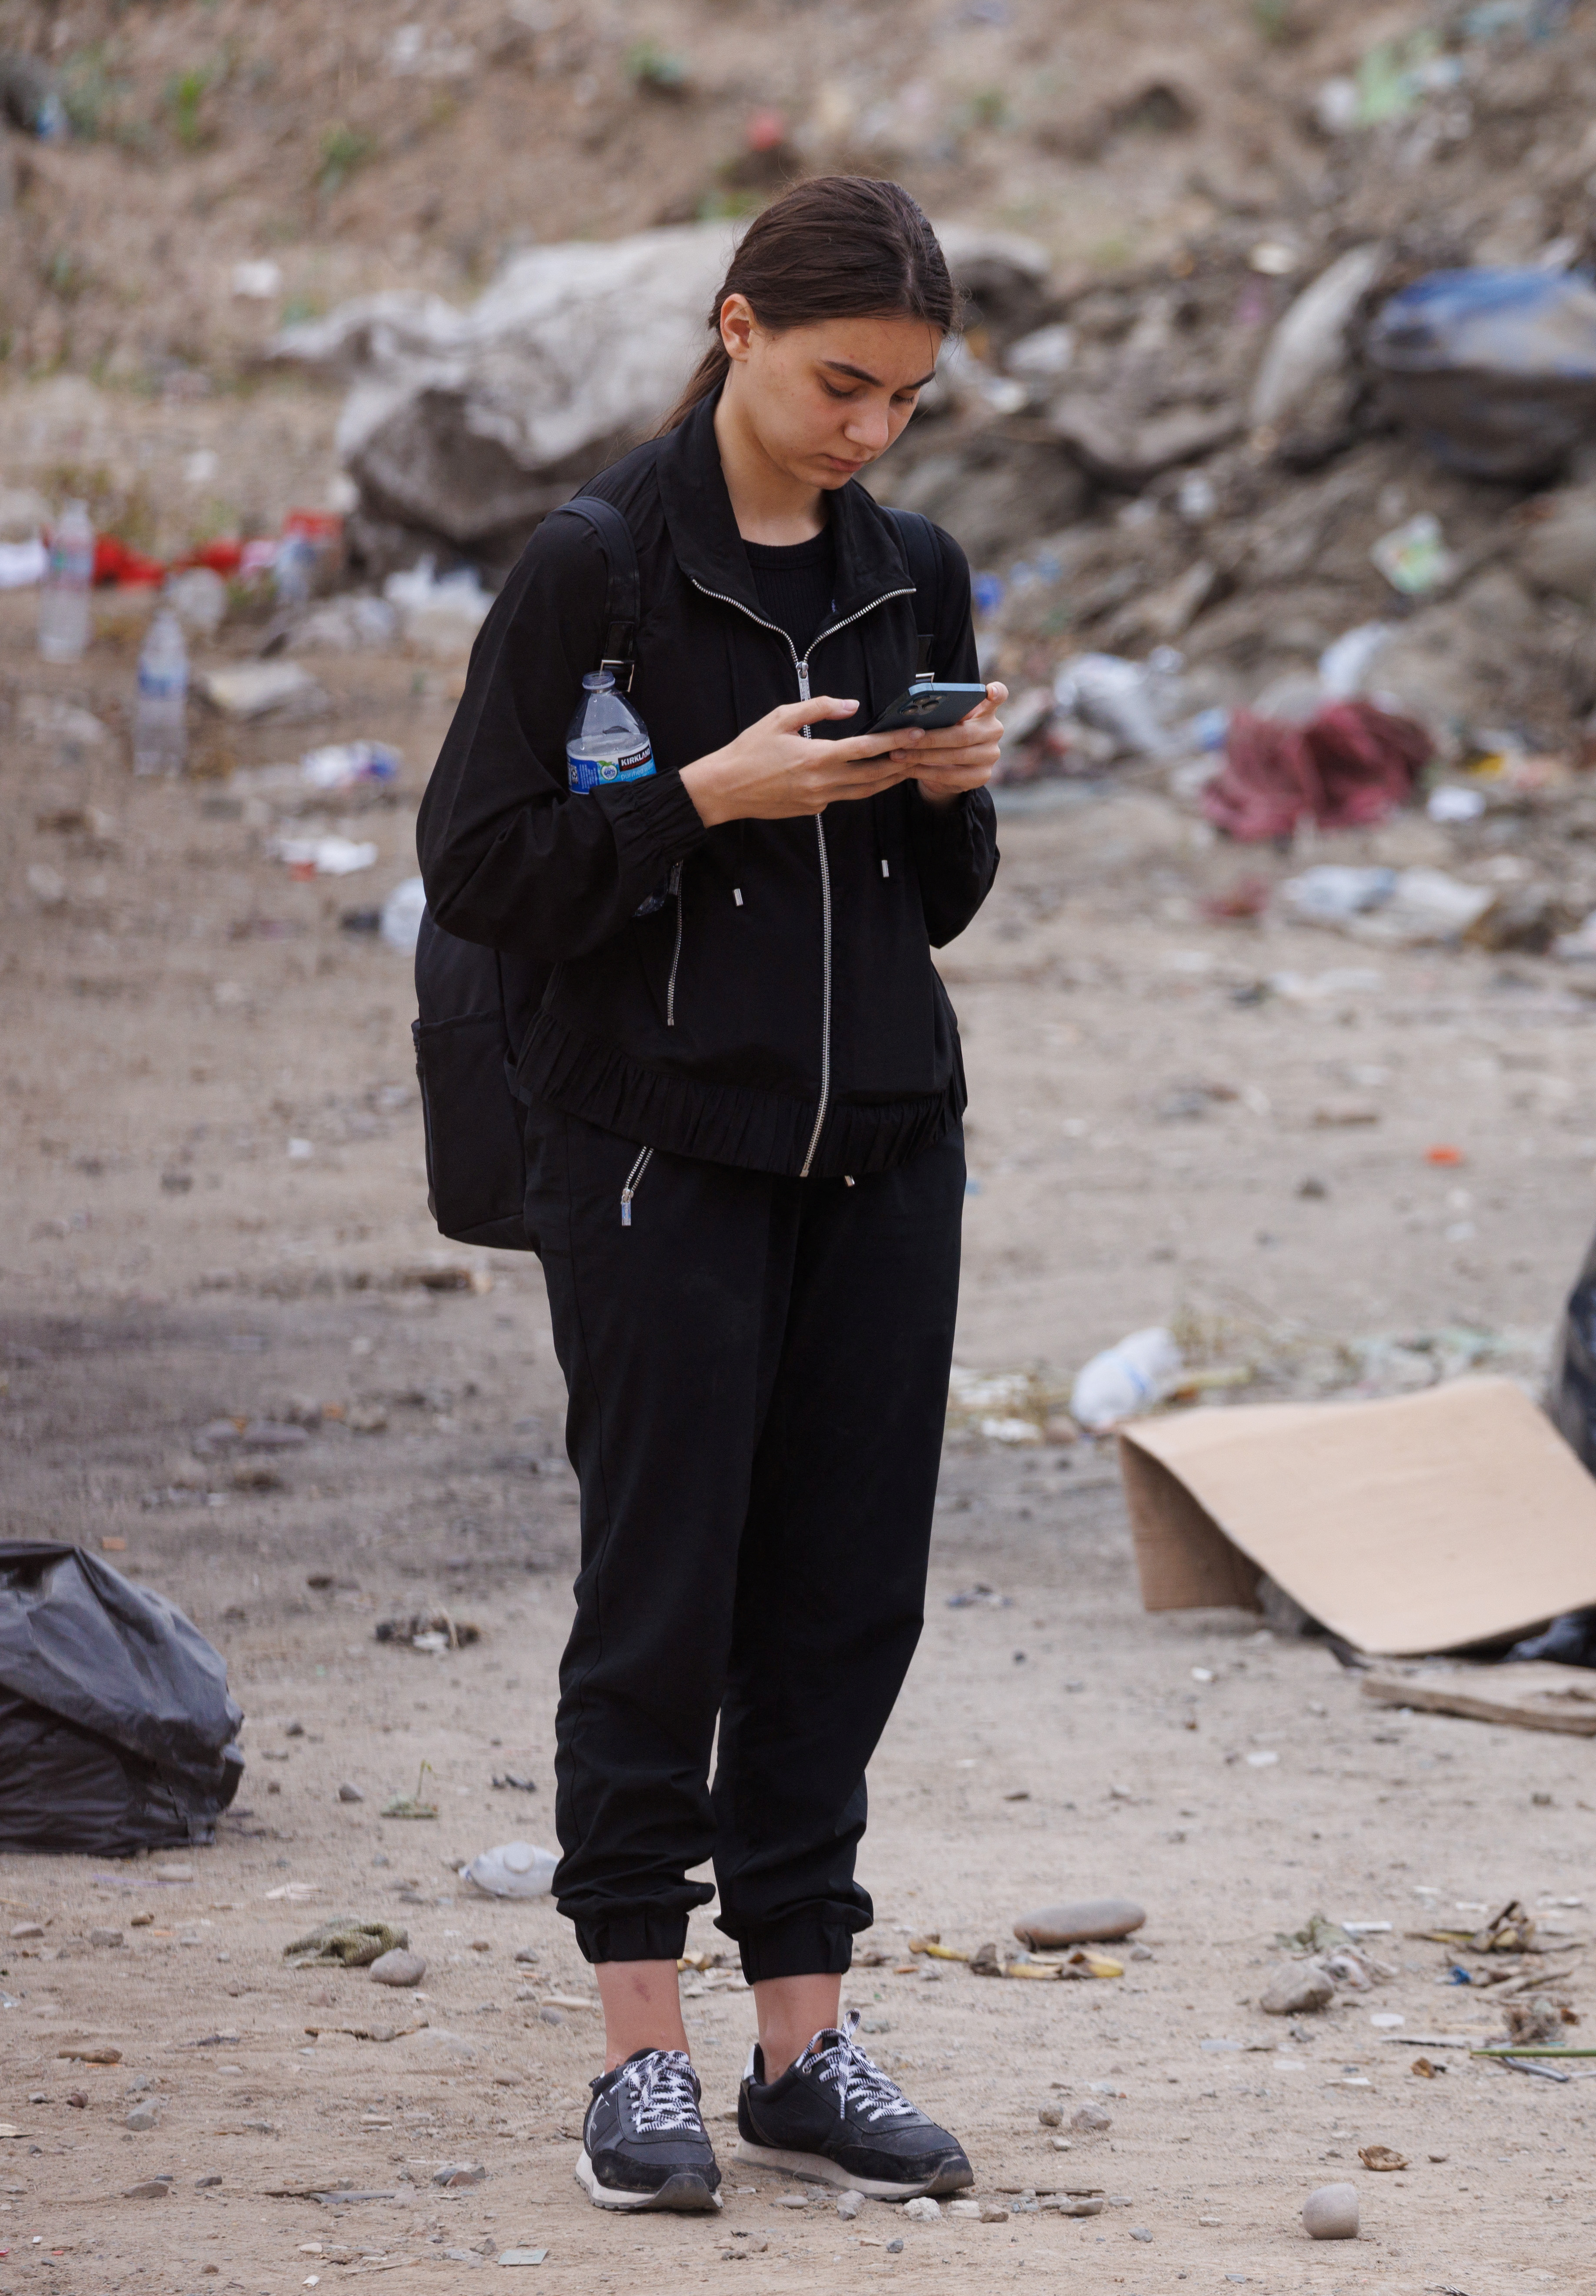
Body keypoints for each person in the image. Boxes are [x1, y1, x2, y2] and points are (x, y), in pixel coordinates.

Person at [416, 176, 1006, 2214]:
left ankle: (804, 2041)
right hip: (658, 1149)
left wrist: (958, 792)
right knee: (663, 1592)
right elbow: (481, 872)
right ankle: (639, 2056)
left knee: (845, 1598)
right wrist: (698, 801)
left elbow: (935, 912)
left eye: (908, 403)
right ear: (739, 328)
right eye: (843, 384)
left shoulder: (909, 571)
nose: (869, 434)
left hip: (883, 1150)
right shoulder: (594, 572)